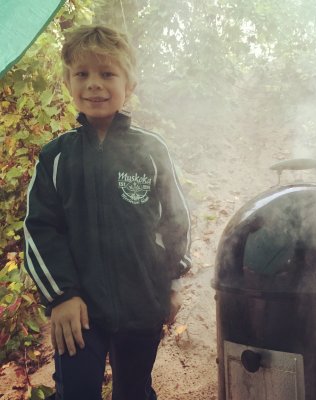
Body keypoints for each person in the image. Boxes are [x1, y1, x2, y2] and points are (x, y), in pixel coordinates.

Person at [23, 25, 191, 400]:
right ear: (68, 83)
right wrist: (61, 295)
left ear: (128, 85)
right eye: (82, 74)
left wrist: (172, 282)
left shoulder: (150, 150)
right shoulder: (56, 156)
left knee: (134, 391)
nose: (94, 84)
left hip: (142, 303)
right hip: (78, 311)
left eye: (107, 73)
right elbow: (39, 229)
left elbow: (176, 219)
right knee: (76, 392)